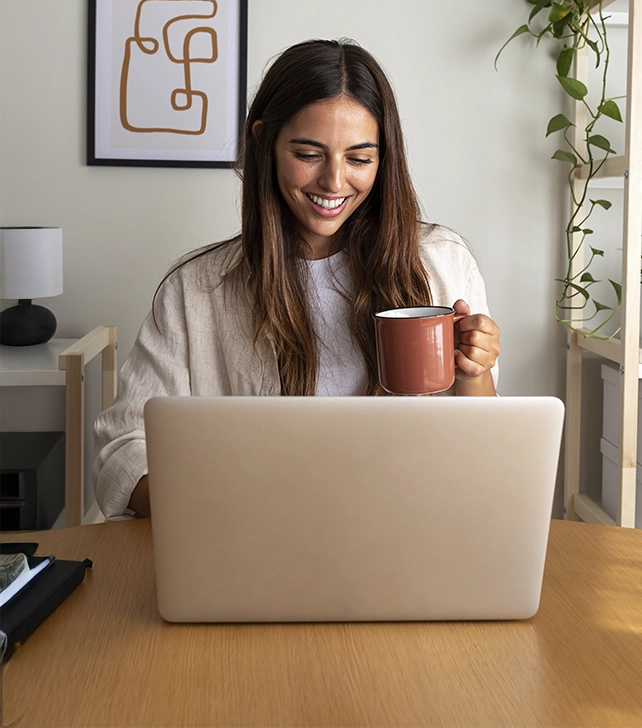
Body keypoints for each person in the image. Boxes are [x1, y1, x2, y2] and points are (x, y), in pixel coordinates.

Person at [93, 39, 501, 520]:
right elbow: (123, 446)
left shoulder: (440, 261)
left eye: (359, 158)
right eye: (309, 153)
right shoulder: (198, 289)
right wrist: (219, 507)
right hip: (256, 541)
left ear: (383, 158)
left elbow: (486, 451)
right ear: (264, 141)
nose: (333, 182)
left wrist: (474, 371)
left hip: (411, 525)